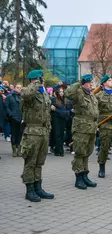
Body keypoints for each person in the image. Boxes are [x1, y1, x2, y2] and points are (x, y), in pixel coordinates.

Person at [20, 70, 54, 202]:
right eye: (40, 79)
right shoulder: (27, 91)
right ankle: (30, 190)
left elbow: (47, 113)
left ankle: (38, 187)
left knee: (39, 162)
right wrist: (35, 84)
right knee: (30, 162)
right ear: (34, 80)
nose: (42, 81)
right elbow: (27, 94)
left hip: (44, 131)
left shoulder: (43, 93)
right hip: (32, 132)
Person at [65, 74, 99, 190]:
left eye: (91, 82)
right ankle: (78, 178)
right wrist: (79, 82)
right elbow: (67, 93)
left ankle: (85, 175)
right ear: (83, 83)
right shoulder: (78, 93)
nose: (91, 84)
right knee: (80, 153)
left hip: (91, 127)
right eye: (89, 82)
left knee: (87, 152)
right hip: (81, 128)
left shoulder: (91, 96)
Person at [51, 85, 71, 156]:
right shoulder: (54, 99)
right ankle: (58, 150)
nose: (62, 93)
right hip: (56, 119)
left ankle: (60, 150)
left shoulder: (66, 100)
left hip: (63, 119)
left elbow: (68, 111)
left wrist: (57, 110)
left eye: (62, 91)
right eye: (60, 92)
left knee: (62, 135)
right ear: (57, 92)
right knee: (57, 135)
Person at [5, 84, 23, 157]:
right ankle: (14, 151)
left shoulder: (22, 97)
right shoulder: (10, 96)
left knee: (20, 134)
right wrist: (11, 114)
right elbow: (6, 106)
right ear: (14, 88)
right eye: (17, 87)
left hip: (21, 118)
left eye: (20, 88)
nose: (19, 89)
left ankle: (19, 150)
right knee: (14, 134)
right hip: (13, 118)